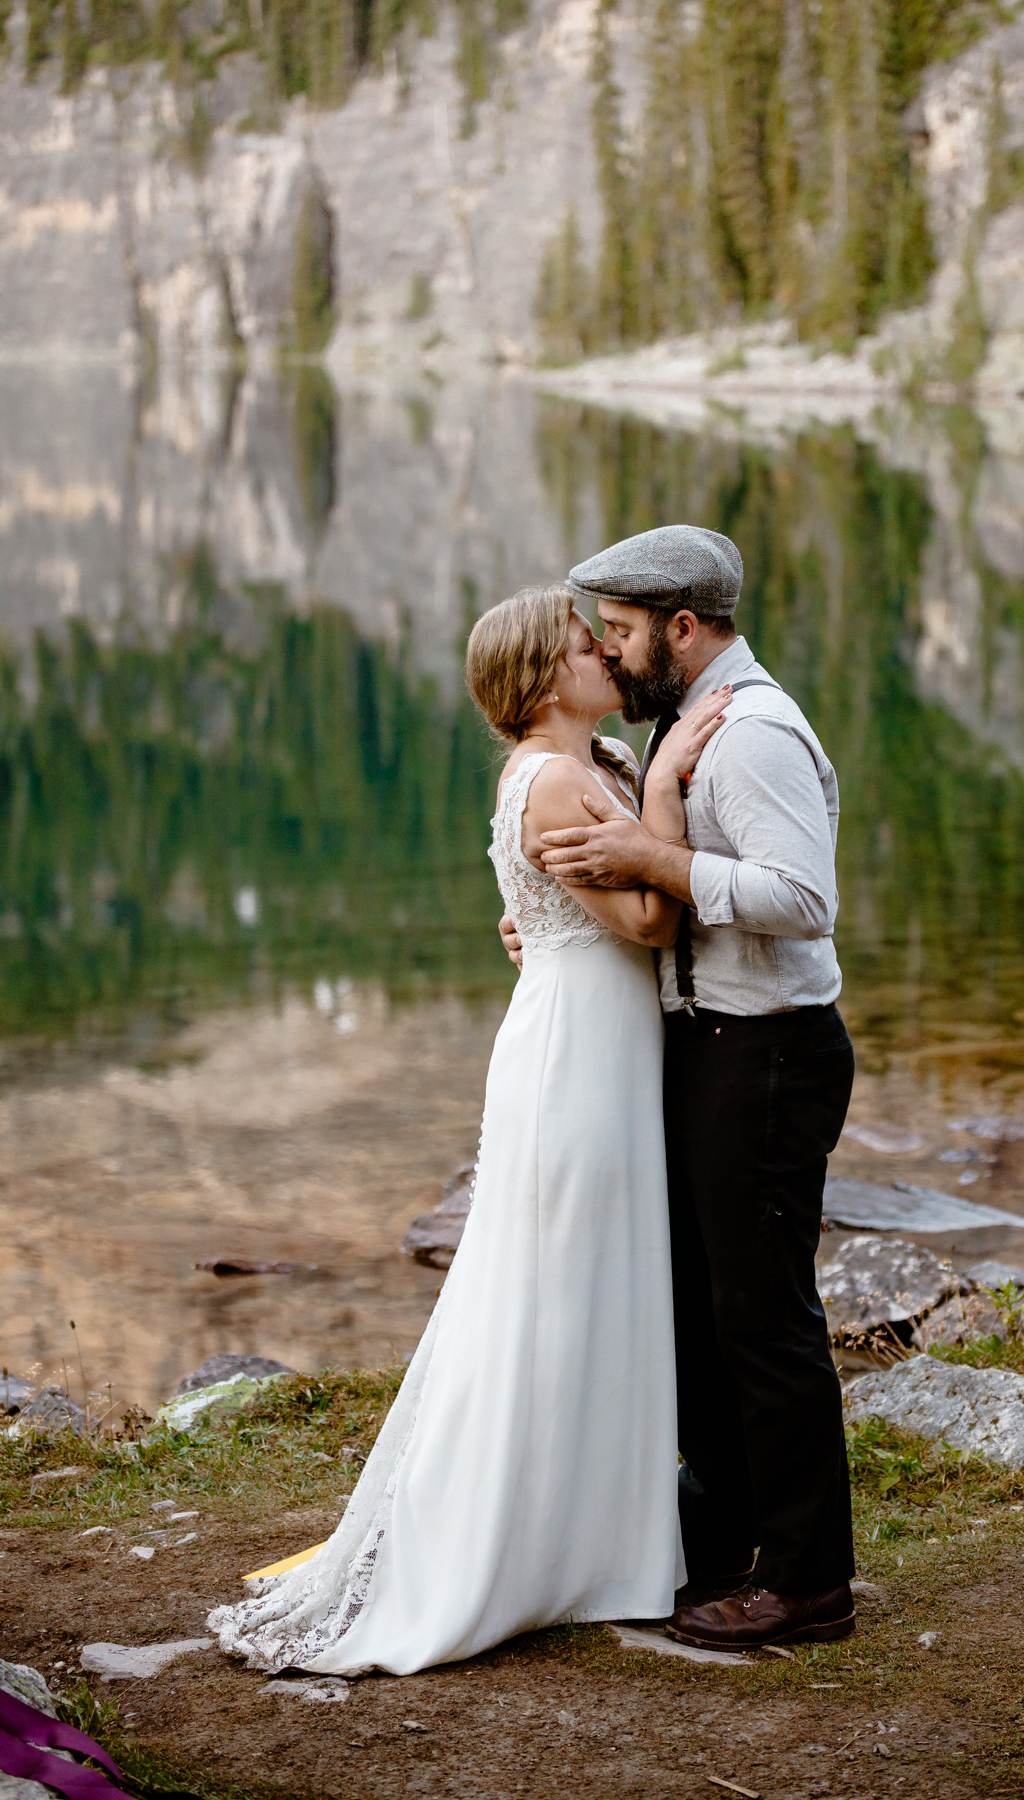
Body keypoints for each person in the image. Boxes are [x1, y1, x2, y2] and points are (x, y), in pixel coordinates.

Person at [206, 585, 728, 1676]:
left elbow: (594, 908)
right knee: (548, 1287)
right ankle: (516, 1549)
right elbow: (647, 916)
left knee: (599, 1283)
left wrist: (643, 797)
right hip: (574, 1056)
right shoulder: (551, 781)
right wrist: (672, 787)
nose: (608, 659)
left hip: (606, 1041)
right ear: (545, 678)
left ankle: (604, 1549)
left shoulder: (594, 769)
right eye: (589, 647)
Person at [501, 524, 857, 1650]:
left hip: (768, 1055)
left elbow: (802, 897)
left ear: (682, 628)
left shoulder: (750, 734)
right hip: (706, 1048)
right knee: (704, 1317)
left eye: (621, 632)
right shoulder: (671, 728)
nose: (609, 652)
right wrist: (553, 924)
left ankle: (807, 1581)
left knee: (764, 1322)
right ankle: (724, 1536)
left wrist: (655, 864)